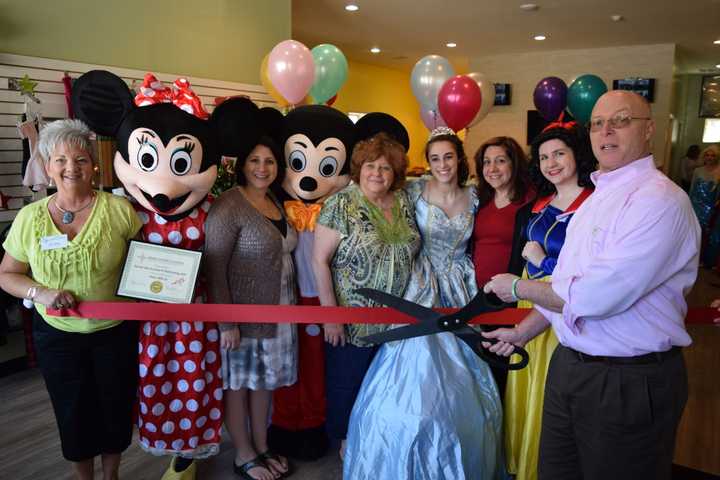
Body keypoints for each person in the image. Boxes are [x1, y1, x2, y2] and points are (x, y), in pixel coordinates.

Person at [483, 91, 700, 480]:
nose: (606, 131)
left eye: (621, 120)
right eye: (598, 123)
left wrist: (518, 288)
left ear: (649, 129)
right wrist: (522, 332)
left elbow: (595, 296)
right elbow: (565, 285)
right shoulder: (598, 197)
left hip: (626, 379)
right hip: (569, 366)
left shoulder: (660, 201)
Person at [344, 127, 506, 479]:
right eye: (435, 158)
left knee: (464, 366)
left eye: (448, 156)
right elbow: (370, 192)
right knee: (416, 363)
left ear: (459, 160)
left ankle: (457, 446)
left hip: (462, 285)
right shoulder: (413, 190)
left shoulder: (476, 195)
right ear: (427, 163)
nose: (442, 164)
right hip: (421, 284)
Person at [0, 119, 142, 480]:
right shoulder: (30, 218)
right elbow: (7, 274)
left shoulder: (119, 211)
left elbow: (145, 265)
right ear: (47, 167)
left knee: (115, 406)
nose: (70, 168)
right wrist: (40, 292)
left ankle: (111, 475)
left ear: (94, 165)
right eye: (60, 159)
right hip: (57, 334)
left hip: (114, 331)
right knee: (72, 410)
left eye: (80, 159)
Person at [312, 132, 421, 460]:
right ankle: (347, 444)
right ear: (359, 169)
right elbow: (319, 261)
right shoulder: (340, 203)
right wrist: (331, 317)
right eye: (371, 166)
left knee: (385, 387)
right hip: (352, 320)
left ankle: (378, 443)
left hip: (399, 323)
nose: (378, 173)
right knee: (349, 384)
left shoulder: (402, 201)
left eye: (386, 168)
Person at [503, 122, 595, 480]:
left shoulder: (591, 204)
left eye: (559, 153)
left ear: (577, 155)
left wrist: (542, 261)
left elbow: (587, 274)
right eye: (544, 156)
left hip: (559, 307)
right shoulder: (542, 203)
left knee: (550, 387)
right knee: (525, 376)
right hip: (529, 298)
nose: (551, 162)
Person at [205, 136, 297, 480]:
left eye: (269, 161)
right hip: (242, 316)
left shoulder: (274, 199)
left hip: (280, 310)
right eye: (255, 160)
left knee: (264, 383)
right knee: (239, 384)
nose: (262, 168)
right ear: (242, 164)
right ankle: (243, 453)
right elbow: (215, 267)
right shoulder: (229, 205)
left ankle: (261, 445)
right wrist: (227, 323)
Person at [471, 136, 534, 392]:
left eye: (500, 161)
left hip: (512, 298)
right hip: (478, 298)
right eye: (487, 162)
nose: (492, 168)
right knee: (484, 369)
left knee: (506, 367)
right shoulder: (480, 200)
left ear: (514, 163)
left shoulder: (531, 201)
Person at [689, 144, 720, 265]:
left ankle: (703, 259)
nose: (709, 157)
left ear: (717, 157)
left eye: (712, 155)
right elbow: (692, 189)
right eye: (707, 155)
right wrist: (689, 204)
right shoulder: (698, 171)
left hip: (711, 207)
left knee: (707, 233)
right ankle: (692, 258)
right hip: (696, 205)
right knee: (694, 232)